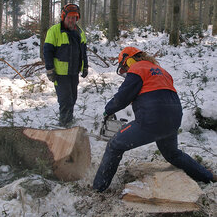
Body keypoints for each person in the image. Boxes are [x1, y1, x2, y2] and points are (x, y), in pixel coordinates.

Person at [93, 46, 217, 192]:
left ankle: (98, 188)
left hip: (151, 120)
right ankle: (207, 176)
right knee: (173, 154)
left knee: (114, 146)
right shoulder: (162, 71)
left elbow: (122, 98)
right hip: (174, 118)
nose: (126, 71)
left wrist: (108, 110)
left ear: (130, 60)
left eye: (125, 67)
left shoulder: (137, 69)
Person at [43, 3, 88, 127]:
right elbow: (47, 51)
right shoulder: (55, 30)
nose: (71, 20)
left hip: (74, 72)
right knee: (65, 100)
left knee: (73, 98)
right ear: (64, 17)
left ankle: (69, 119)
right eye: (69, 17)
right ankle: (64, 123)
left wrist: (85, 66)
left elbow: (83, 51)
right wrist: (50, 69)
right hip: (60, 73)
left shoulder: (79, 32)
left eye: (74, 18)